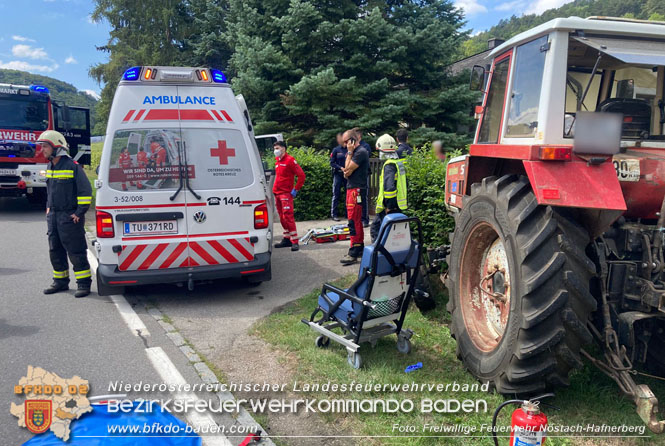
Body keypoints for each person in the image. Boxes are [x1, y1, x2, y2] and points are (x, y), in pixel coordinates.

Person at [38, 130, 93, 298]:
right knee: (55, 250)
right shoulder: (50, 165)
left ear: (56, 147)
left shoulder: (72, 166)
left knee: (75, 251)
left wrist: (79, 212)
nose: (43, 150)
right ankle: (60, 281)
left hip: (69, 216)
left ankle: (83, 283)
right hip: (54, 216)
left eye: (45, 146)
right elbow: (51, 190)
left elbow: (85, 192)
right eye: (42, 146)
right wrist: (48, 207)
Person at [370, 134, 408, 242]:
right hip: (398, 204)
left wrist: (390, 207)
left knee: (376, 230)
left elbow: (389, 188)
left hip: (388, 207)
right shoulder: (398, 163)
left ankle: (378, 255)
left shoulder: (389, 165)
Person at [340, 129, 369, 265]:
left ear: (352, 140)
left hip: (356, 190)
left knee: (353, 221)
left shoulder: (360, 152)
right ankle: (359, 247)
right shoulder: (354, 153)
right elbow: (347, 172)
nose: (344, 145)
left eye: (346, 142)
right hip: (352, 188)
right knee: (355, 220)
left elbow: (347, 169)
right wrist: (347, 171)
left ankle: (354, 251)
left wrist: (350, 153)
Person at [273, 141, 306, 251]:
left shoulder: (290, 160)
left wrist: (295, 189)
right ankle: (287, 238)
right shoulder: (277, 160)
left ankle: (295, 241)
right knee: (282, 217)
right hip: (277, 193)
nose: (275, 150)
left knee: (288, 216)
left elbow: (301, 175)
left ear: (283, 149)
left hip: (286, 193)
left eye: (277, 148)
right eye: (275, 148)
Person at [352, 128, 371, 227]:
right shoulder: (351, 147)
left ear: (359, 136)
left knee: (363, 198)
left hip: (363, 176)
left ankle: (365, 219)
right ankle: (356, 219)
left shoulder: (365, 147)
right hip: (354, 176)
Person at [329, 133, 347, 221]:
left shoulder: (349, 149)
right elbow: (332, 162)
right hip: (338, 174)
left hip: (347, 174)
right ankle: (334, 214)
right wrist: (340, 168)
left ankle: (347, 213)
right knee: (336, 194)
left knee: (348, 194)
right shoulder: (336, 150)